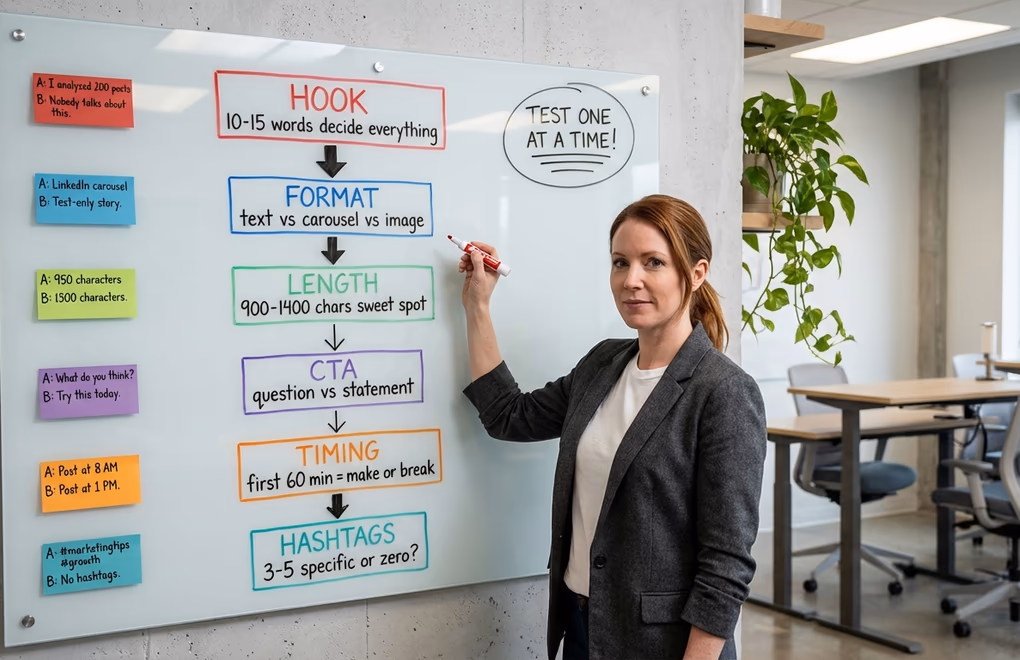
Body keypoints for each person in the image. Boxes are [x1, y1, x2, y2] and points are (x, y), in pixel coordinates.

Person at [458, 194, 768, 660]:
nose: (631, 280)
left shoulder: (723, 393)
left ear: (696, 273)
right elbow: (508, 415)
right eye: (620, 262)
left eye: (653, 263)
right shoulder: (604, 363)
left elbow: (726, 563)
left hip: (665, 646)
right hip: (584, 628)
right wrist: (477, 306)